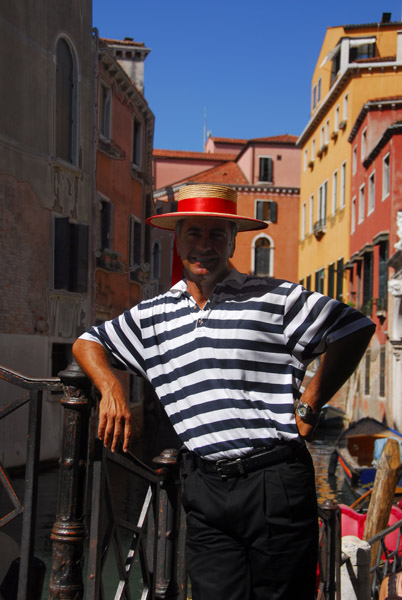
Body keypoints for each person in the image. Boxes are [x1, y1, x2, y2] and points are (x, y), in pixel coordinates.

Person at [73, 183, 375, 600]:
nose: (204, 246)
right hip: (204, 485)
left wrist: (309, 405)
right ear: (177, 239)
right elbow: (87, 342)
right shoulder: (155, 315)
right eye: (194, 233)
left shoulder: (274, 297)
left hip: (274, 481)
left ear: (233, 240)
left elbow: (353, 328)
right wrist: (111, 389)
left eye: (217, 234)